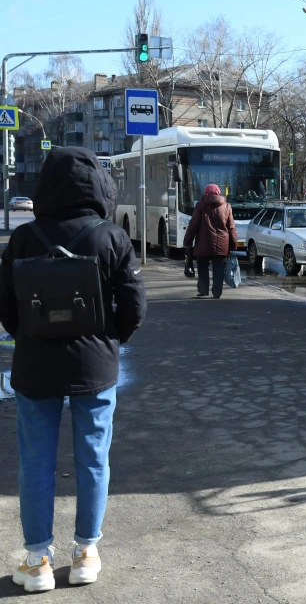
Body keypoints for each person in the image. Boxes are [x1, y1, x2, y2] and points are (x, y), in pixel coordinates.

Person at [0, 147, 146, 592]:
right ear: (98, 185)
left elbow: (6, 305)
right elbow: (135, 306)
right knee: (93, 460)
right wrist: (109, 339)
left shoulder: (24, 239)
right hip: (95, 366)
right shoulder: (111, 237)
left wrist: (28, 334)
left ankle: (36, 560)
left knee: (36, 462)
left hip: (35, 366)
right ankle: (85, 553)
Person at [183, 184, 238, 299]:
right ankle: (217, 292)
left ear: (206, 193)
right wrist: (233, 245)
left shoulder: (201, 205)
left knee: (202, 266)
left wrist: (187, 241)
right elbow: (231, 227)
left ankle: (203, 290)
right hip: (222, 245)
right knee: (219, 269)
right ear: (218, 193)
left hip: (203, 244)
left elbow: (193, 225)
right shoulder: (227, 207)